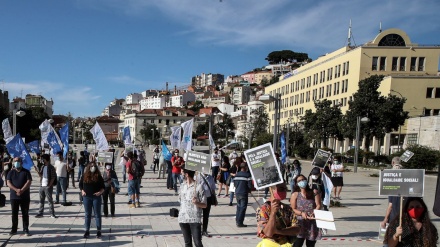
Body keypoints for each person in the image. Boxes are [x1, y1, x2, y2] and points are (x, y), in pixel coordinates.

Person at [256, 182, 300, 247]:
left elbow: (297, 229)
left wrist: (279, 231)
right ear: (272, 189)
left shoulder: (287, 209)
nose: (284, 191)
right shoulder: (263, 209)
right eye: (281, 189)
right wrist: (273, 213)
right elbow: (268, 233)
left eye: (286, 189)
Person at [290, 174, 322, 247]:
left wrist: (314, 212)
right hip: (300, 223)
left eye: (303, 179)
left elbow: (318, 205)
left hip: (312, 223)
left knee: (310, 245)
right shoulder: (295, 194)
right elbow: (293, 208)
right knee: (297, 244)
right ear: (296, 184)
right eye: (299, 181)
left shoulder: (314, 192)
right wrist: (301, 213)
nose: (302, 181)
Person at [178, 169, 207, 247]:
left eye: (182, 173)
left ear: (186, 174)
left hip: (194, 219)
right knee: (187, 243)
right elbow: (180, 200)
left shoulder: (198, 186)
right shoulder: (182, 186)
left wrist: (196, 203)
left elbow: (204, 205)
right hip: (183, 218)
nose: (181, 175)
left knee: (197, 243)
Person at [6, 157, 32, 236]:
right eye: (15, 161)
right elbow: (8, 182)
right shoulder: (11, 172)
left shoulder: (26, 172)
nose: (16, 162)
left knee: (25, 213)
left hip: (24, 196)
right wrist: (16, 190)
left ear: (21, 162)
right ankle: (14, 229)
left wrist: (22, 190)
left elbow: (29, 181)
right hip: (14, 197)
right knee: (14, 214)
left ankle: (25, 228)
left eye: (18, 161)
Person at [79, 162, 105, 238]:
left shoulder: (99, 176)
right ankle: (87, 230)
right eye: (91, 166)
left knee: (97, 214)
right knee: (87, 214)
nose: (93, 167)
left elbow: (103, 187)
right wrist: (82, 191)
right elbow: (80, 185)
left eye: (94, 166)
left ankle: (99, 231)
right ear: (88, 167)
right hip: (87, 197)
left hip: (96, 197)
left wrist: (100, 192)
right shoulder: (84, 176)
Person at [381, 157, 406, 229]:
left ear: (393, 163)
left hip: (394, 216)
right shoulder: (406, 177)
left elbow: (390, 205)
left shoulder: (392, 183)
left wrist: (386, 219)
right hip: (406, 217)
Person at [35, 154, 57, 218]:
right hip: (42, 185)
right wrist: (37, 171)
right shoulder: (43, 167)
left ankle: (52, 213)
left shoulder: (51, 167)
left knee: (50, 200)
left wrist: (49, 185)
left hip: (48, 186)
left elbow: (53, 177)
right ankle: (40, 213)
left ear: (46, 159)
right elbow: (40, 175)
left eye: (43, 159)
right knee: (41, 200)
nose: (42, 160)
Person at [234, 163, 252, 227]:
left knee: (238, 207)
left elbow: (235, 184)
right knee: (243, 208)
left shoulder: (237, 175)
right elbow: (250, 186)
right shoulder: (247, 175)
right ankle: (240, 222)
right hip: (244, 193)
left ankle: (237, 220)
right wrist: (249, 190)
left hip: (237, 192)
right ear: (245, 167)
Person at [199, 172, 216, 238]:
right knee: (198, 215)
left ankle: (204, 230)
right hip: (200, 199)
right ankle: (198, 230)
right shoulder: (197, 176)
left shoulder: (211, 177)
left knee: (206, 216)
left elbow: (213, 189)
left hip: (208, 198)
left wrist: (215, 199)